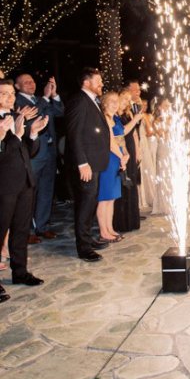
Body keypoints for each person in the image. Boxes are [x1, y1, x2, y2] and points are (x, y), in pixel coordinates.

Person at [0, 79, 49, 302]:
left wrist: (32, 134)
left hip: (24, 184)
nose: (9, 97)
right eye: (3, 94)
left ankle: (20, 272)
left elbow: (27, 152)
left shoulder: (15, 119)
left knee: (20, 231)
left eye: (11, 93)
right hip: (4, 187)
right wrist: (10, 136)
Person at [64, 67, 111, 262]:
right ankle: (83, 248)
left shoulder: (92, 101)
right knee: (85, 203)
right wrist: (82, 163)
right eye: (98, 81)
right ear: (86, 82)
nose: (101, 84)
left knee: (90, 202)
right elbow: (74, 134)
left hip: (95, 161)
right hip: (87, 164)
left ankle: (88, 238)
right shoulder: (78, 101)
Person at [14, 73, 64, 242]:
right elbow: (34, 117)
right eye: (26, 82)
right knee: (29, 193)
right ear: (17, 86)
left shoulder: (39, 100)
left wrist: (54, 95)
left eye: (32, 81)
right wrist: (45, 97)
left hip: (49, 152)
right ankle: (26, 231)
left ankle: (42, 227)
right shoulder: (18, 102)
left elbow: (59, 112)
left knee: (46, 190)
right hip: (33, 154)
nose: (31, 84)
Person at [96, 92, 129, 242]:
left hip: (118, 159)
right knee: (104, 198)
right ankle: (103, 232)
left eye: (117, 101)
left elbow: (121, 139)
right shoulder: (104, 118)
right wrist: (121, 156)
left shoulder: (115, 118)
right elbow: (109, 142)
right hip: (108, 160)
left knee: (112, 198)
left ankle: (110, 229)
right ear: (104, 103)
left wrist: (126, 154)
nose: (115, 104)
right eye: (112, 101)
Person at [113, 90, 142, 233]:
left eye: (129, 100)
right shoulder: (113, 115)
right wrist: (136, 119)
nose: (127, 102)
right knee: (122, 184)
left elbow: (134, 133)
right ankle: (121, 222)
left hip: (130, 148)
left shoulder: (128, 114)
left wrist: (138, 150)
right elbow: (122, 131)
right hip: (120, 149)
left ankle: (132, 220)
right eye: (124, 98)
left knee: (131, 183)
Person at [137, 99, 158, 213]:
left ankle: (149, 196)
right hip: (141, 144)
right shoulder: (138, 116)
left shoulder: (147, 116)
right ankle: (141, 198)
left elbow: (151, 131)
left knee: (148, 169)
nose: (144, 106)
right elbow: (149, 131)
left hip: (146, 143)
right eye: (141, 104)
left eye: (145, 104)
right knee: (143, 170)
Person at [152, 98, 172, 216]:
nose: (168, 108)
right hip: (164, 150)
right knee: (164, 174)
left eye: (169, 105)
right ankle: (163, 205)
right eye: (165, 105)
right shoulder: (157, 121)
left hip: (173, 149)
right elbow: (162, 135)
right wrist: (168, 123)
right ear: (159, 107)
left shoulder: (174, 118)